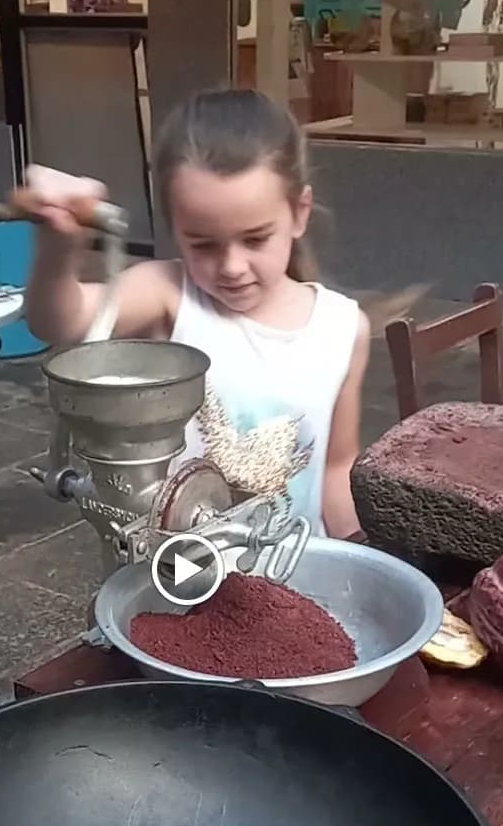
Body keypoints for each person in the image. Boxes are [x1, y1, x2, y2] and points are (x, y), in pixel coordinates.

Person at [20, 88, 370, 538]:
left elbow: (337, 467)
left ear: (299, 213)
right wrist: (57, 246)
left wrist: (359, 562)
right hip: (181, 577)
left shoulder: (342, 329)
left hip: (295, 575)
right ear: (174, 227)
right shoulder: (168, 294)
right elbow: (59, 321)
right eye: (202, 244)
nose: (231, 266)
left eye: (256, 238)